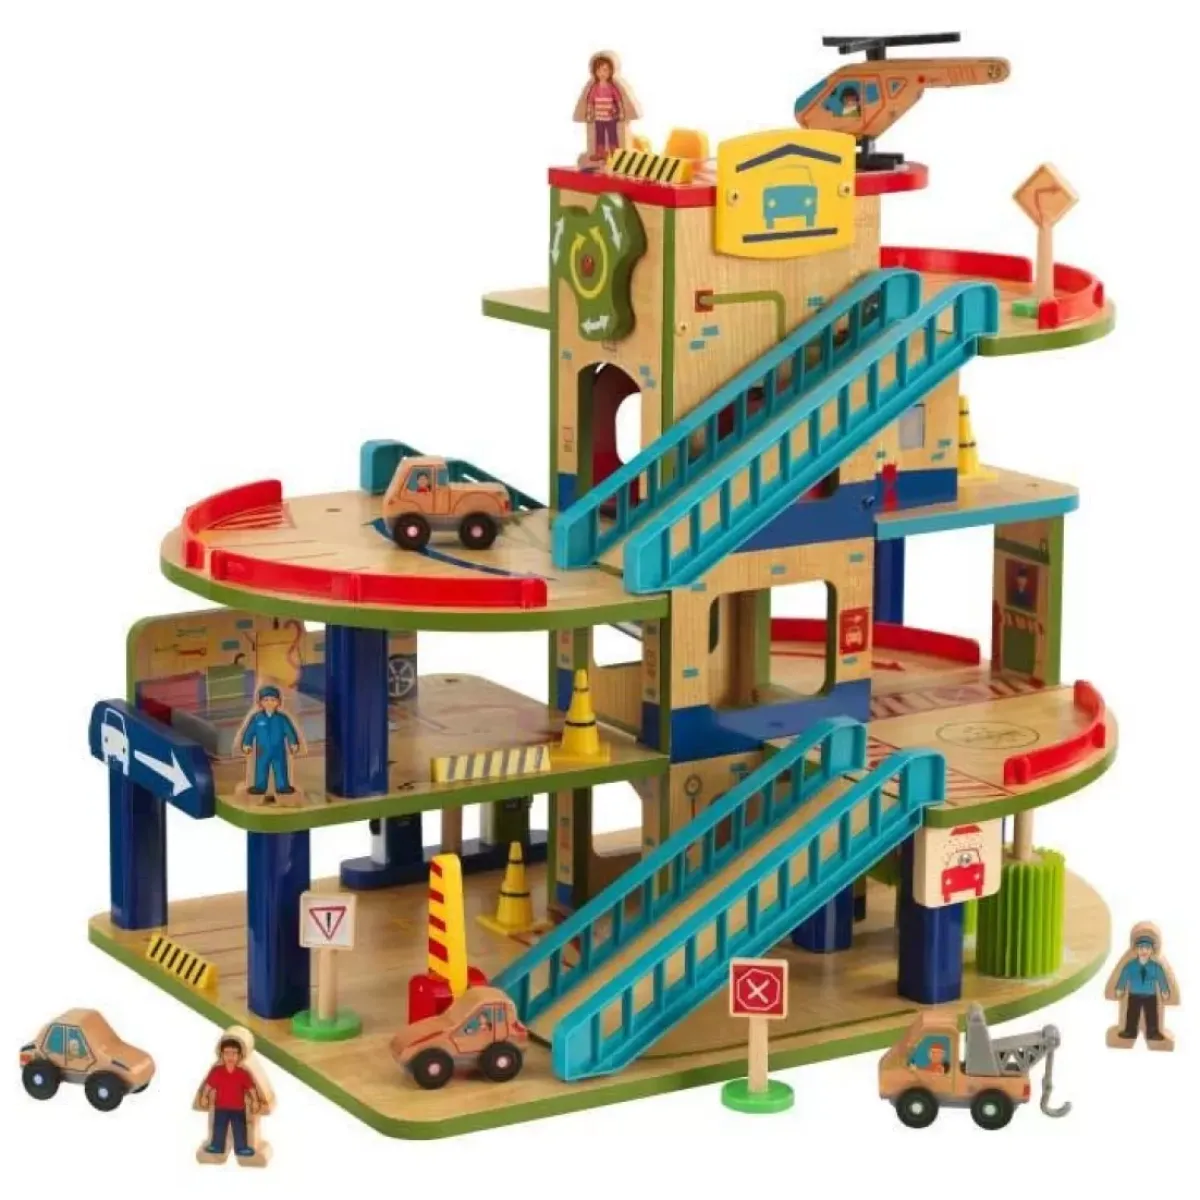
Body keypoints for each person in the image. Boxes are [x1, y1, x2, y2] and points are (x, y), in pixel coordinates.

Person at [196, 1035, 263, 1159]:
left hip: (238, 1108)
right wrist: (204, 1096)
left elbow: (251, 1089)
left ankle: (241, 1147)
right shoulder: (217, 1072)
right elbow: (208, 1086)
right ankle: (217, 1146)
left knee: (240, 1128)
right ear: (221, 1055)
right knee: (219, 1127)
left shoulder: (242, 1073)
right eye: (227, 1053)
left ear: (239, 1056)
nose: (230, 1057)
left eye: (234, 1053)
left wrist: (255, 1101)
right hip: (221, 1107)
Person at [1108, 929, 1174, 1045]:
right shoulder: (1130, 966)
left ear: (1152, 950)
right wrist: (1120, 988)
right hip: (1134, 994)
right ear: (1136, 950)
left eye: (1147, 948)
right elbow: (1124, 976)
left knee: (1152, 1014)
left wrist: (1164, 990)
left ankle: (1153, 1032)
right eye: (1141, 948)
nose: (1144, 951)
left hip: (1150, 995)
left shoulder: (1155, 967)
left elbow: (1161, 979)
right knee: (1132, 1014)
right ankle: (1130, 1031)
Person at [574, 52, 640, 163]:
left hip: (611, 118)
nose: (602, 73)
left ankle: (615, 153)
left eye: (605, 70)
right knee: (599, 136)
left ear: (611, 71)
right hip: (598, 118)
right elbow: (590, 102)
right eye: (599, 70)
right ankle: (600, 153)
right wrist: (589, 113)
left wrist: (621, 112)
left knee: (612, 136)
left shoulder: (612, 87)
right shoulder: (594, 87)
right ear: (594, 72)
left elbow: (618, 100)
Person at [239, 684, 301, 796]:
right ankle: (260, 787)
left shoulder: (282, 718)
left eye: (273, 700)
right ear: (260, 702)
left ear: (278, 702)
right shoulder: (257, 718)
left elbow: (290, 731)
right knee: (261, 767)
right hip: (262, 750)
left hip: (279, 749)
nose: (269, 703)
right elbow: (249, 732)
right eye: (266, 700)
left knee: (280, 767)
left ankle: (282, 786)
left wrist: (293, 743)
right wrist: (246, 743)